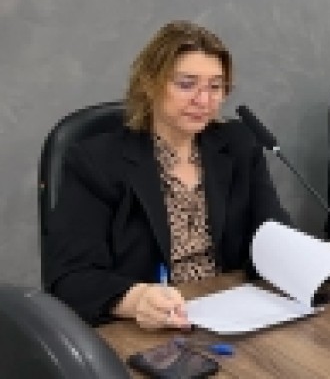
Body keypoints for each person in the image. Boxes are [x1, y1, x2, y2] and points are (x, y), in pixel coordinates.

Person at [44, 21, 289, 327]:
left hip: (231, 314)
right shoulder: (96, 161)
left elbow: (273, 233)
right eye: (187, 84)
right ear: (149, 84)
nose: (204, 101)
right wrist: (137, 299)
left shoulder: (238, 143)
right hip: (144, 326)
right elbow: (70, 277)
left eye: (215, 87)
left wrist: (313, 263)